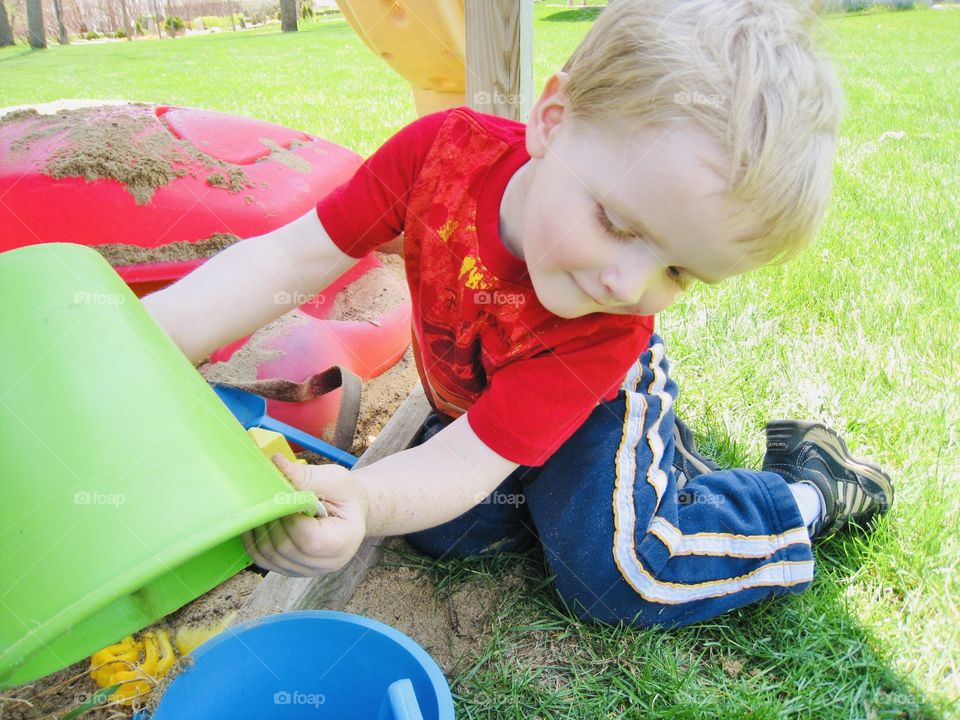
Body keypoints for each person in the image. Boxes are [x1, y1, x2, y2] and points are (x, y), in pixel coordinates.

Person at [145, 0, 893, 627]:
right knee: (442, 524)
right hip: (487, 407)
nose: (626, 284)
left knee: (619, 574)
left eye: (678, 272)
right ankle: (650, 478)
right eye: (619, 223)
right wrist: (147, 340)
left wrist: (364, 503)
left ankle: (805, 491)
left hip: (595, 411)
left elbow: (469, 460)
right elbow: (286, 261)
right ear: (554, 119)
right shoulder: (437, 158)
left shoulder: (611, 325)